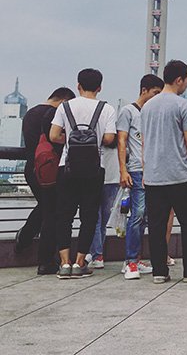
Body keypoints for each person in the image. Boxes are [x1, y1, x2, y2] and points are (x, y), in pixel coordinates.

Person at [141, 60, 187, 284]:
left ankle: (159, 272)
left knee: (157, 227)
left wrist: (144, 171)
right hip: (180, 176)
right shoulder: (183, 105)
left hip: (153, 176)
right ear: (179, 80)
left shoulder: (148, 106)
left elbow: (144, 144)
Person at [49, 69, 117, 279]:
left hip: (67, 167)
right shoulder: (106, 109)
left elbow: (53, 135)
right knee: (89, 217)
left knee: (64, 216)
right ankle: (79, 263)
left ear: (78, 85)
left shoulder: (65, 106)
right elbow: (108, 138)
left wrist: (70, 140)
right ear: (100, 87)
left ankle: (64, 263)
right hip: (94, 169)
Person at [19, 87, 76, 274]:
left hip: (32, 169)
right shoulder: (53, 114)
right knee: (52, 213)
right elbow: (56, 141)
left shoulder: (30, 113)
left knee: (45, 207)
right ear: (63, 101)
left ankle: (25, 236)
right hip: (50, 170)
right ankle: (46, 261)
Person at [116, 74, 163, 280]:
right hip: (135, 168)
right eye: (155, 93)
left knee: (145, 217)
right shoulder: (128, 111)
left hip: (152, 170)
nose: (156, 97)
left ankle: (137, 259)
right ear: (144, 90)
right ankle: (130, 261)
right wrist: (122, 170)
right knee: (137, 214)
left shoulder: (152, 112)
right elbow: (121, 141)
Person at [86, 144, 120, 270]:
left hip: (93, 172)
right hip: (113, 174)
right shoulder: (116, 125)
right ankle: (96, 253)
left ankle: (96, 254)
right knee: (102, 220)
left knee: (96, 218)